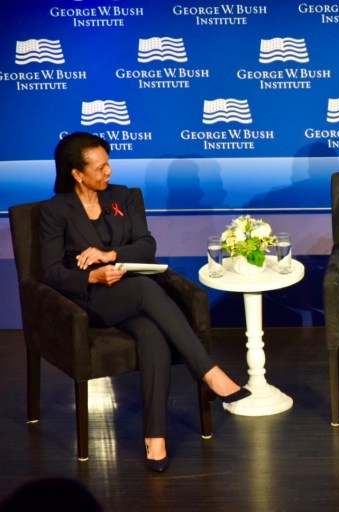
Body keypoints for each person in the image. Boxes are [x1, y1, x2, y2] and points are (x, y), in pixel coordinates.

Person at [40, 132, 252, 472]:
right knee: (148, 291)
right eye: (100, 167)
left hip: (130, 294)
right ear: (76, 174)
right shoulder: (55, 211)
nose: (108, 171)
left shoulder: (124, 197)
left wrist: (112, 254)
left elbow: (146, 246)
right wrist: (92, 276)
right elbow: (50, 272)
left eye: (108, 163)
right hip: (89, 301)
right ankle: (210, 373)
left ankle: (156, 439)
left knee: (153, 334)